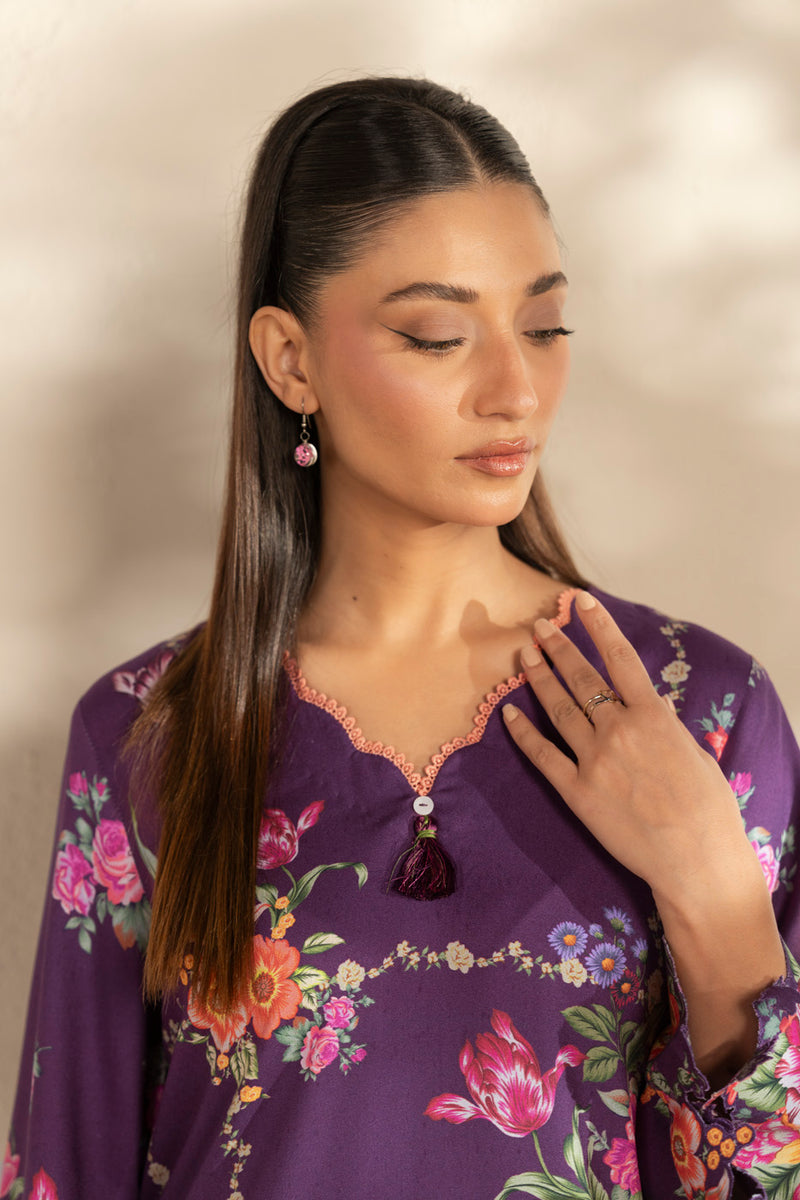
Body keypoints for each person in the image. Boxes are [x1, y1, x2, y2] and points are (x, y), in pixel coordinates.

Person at [3, 76, 800, 1200]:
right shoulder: (148, 733)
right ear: (291, 361)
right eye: (437, 336)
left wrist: (715, 896)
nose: (515, 389)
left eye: (543, 326)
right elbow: (67, 1167)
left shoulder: (699, 709)